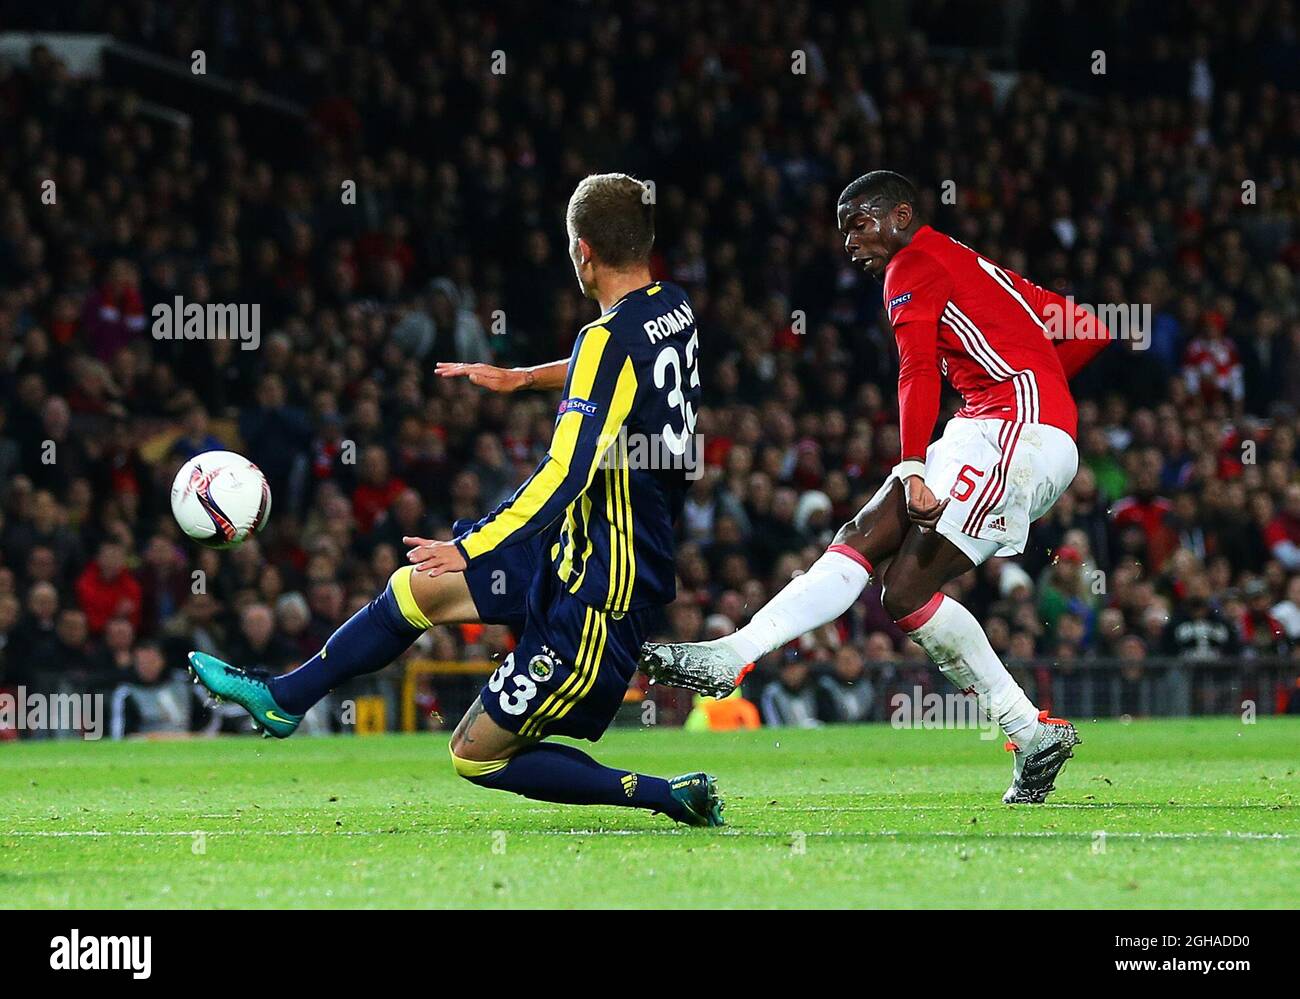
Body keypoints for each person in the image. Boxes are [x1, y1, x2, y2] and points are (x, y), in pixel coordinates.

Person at [188, 173, 723, 826]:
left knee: (476, 754)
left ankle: (667, 794)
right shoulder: (675, 306)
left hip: (603, 587)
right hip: (581, 546)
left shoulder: (605, 342)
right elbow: (618, 362)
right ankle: (283, 696)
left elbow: (564, 475)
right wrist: (526, 377)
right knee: (420, 587)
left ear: (582, 252)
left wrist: (469, 543)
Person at [642, 170, 1111, 804]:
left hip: (1010, 425)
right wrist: (1043, 383)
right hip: (996, 424)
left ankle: (1028, 730)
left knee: (907, 588)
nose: (850, 242)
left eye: (859, 225)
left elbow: (916, 367)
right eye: (842, 232)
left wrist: (918, 462)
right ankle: (733, 655)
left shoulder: (912, 263)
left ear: (899, 215)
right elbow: (1090, 327)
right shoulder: (968, 264)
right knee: (861, 539)